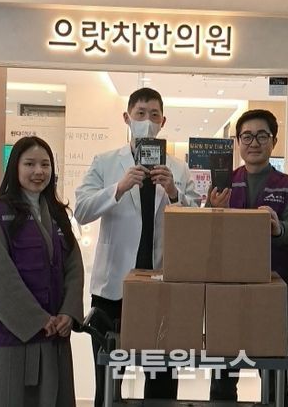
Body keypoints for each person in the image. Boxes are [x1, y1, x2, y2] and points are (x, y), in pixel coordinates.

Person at [74, 87, 199, 407]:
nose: (147, 120)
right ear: (127, 118)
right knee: (109, 379)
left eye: (154, 115)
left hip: (162, 287)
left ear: (163, 122)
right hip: (112, 288)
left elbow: (196, 223)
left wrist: (174, 193)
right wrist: (118, 188)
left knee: (162, 378)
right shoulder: (105, 162)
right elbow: (82, 210)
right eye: (140, 113)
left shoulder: (178, 168)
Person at [0, 136, 84, 406]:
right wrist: (36, 319)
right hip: (12, 336)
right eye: (30, 164)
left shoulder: (58, 214)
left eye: (45, 165)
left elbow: (74, 266)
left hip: (54, 334)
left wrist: (68, 312)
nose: (38, 171)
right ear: (15, 167)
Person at [208, 109, 288, 407]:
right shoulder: (224, 182)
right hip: (226, 289)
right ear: (238, 142)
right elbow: (205, 234)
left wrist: (278, 228)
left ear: (274, 141)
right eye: (247, 136)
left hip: (272, 289)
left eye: (262, 136)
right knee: (223, 373)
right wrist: (214, 210)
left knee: (273, 372)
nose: (254, 143)